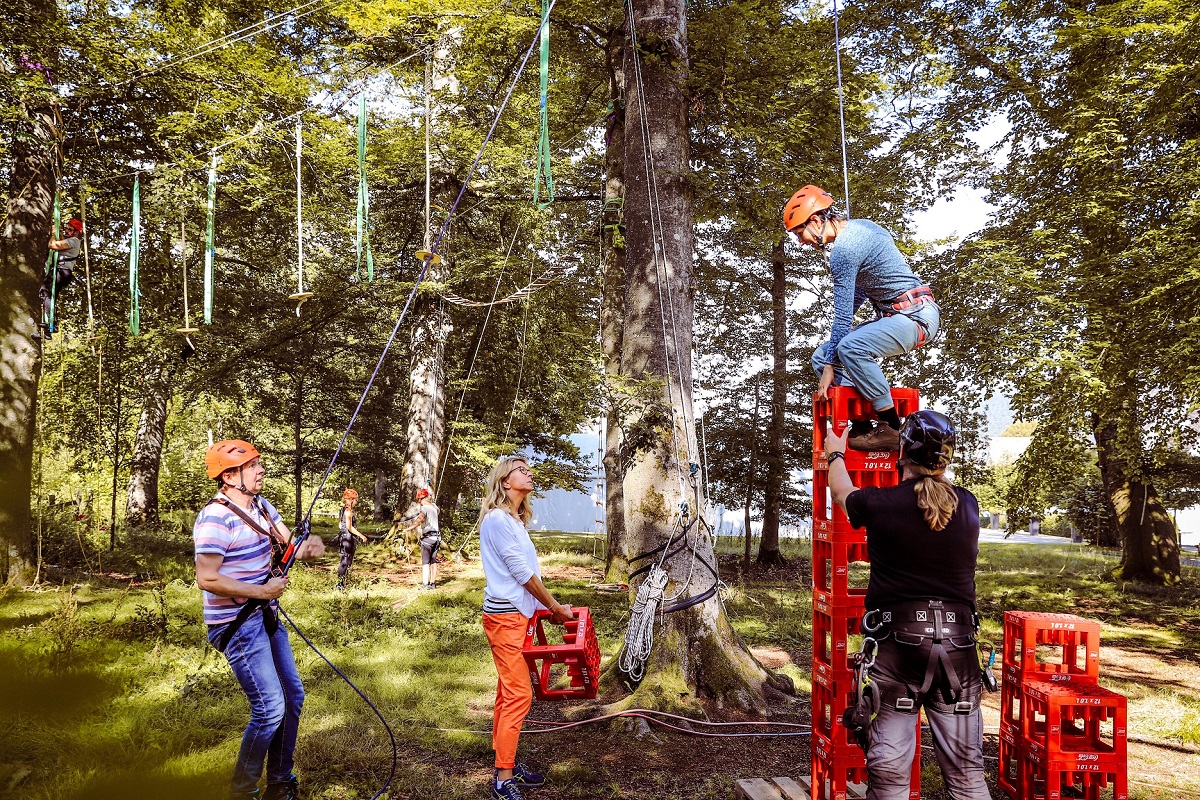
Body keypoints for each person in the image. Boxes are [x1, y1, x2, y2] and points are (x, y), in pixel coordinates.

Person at [824, 411, 990, 800]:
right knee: (967, 774)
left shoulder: (883, 503)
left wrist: (836, 453)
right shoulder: (968, 506)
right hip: (959, 648)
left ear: (902, 451)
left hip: (900, 650)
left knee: (890, 772)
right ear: (946, 458)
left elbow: (841, 494)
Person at [784, 186, 940, 451]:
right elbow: (858, 295)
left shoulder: (844, 251)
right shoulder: (862, 228)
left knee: (848, 348)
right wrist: (831, 359)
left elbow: (844, 314)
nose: (801, 242)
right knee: (822, 357)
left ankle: (891, 428)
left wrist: (836, 358)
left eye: (800, 233)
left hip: (916, 316)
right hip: (895, 315)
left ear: (815, 220)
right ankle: (864, 426)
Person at [193, 439, 304, 800]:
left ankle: (279, 783)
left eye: (259, 463)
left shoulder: (261, 506)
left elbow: (289, 542)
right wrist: (264, 592)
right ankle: (243, 792)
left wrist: (309, 547)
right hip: (236, 624)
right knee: (270, 707)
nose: (261, 470)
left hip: (264, 616)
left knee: (293, 696)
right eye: (253, 466)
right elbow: (207, 579)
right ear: (229, 476)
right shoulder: (215, 517)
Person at [478, 455, 574, 800]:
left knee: (508, 692)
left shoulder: (515, 521)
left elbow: (522, 577)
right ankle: (503, 780)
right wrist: (552, 607)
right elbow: (521, 574)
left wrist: (547, 610)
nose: (528, 472)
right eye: (521, 469)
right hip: (504, 620)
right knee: (519, 694)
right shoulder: (498, 520)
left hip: (517, 616)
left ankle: (505, 760)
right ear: (505, 481)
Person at [41, 218, 83, 335]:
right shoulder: (69, 240)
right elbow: (61, 240)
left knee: (45, 293)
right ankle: (48, 331)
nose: (66, 231)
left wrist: (54, 233)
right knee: (50, 298)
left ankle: (51, 324)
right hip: (61, 272)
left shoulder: (74, 241)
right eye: (66, 228)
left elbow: (52, 245)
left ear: (76, 233)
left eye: (70, 229)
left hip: (61, 271)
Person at [336, 488, 368, 588]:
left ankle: (343, 582)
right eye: (355, 500)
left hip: (343, 538)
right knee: (346, 561)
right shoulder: (348, 511)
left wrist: (343, 533)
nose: (356, 502)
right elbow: (349, 527)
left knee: (345, 560)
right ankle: (340, 585)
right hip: (348, 539)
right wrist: (361, 536)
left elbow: (340, 525)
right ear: (351, 500)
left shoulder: (342, 510)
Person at [412, 487, 441, 589]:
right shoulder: (433, 506)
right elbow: (438, 511)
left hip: (428, 539)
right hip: (437, 538)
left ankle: (425, 584)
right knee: (433, 561)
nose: (418, 502)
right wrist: (432, 502)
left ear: (421, 499)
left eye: (418, 500)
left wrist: (410, 528)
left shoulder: (424, 508)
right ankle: (432, 583)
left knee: (425, 562)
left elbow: (420, 519)